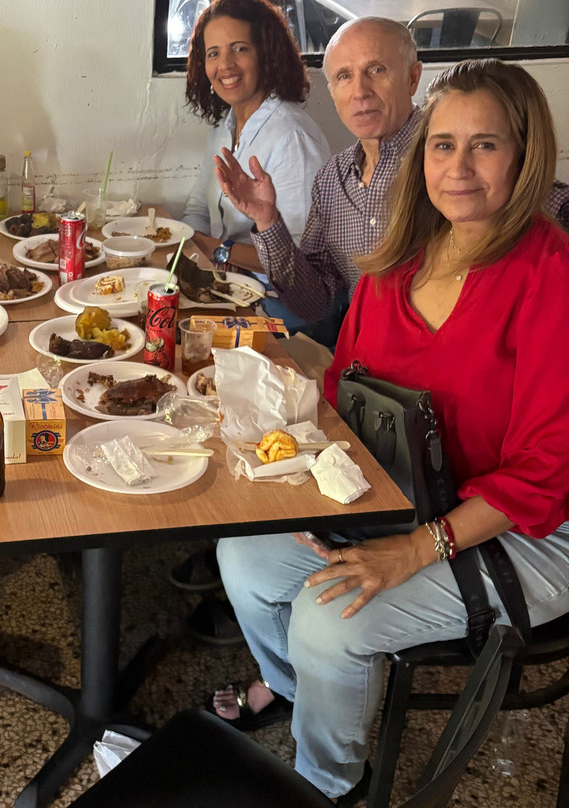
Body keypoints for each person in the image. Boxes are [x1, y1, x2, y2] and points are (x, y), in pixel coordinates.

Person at [211, 59, 569, 803]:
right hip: (409, 490)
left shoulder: (552, 275)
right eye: (443, 145)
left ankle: (328, 784)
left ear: (526, 155)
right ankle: (305, 696)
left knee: (327, 618)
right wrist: (312, 488)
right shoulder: (399, 260)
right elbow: (344, 392)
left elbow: (547, 470)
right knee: (242, 557)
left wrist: (414, 549)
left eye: (485, 145)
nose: (458, 167)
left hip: (529, 523)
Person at [215, 16, 569, 343]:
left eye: (376, 70)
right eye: (344, 77)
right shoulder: (331, 179)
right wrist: (268, 221)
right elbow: (315, 304)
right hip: (368, 365)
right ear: (333, 91)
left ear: (413, 78)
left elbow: (543, 196)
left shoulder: (446, 162)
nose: (360, 91)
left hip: (453, 359)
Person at [181, 0, 330, 332]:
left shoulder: (292, 136)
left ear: (266, 53)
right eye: (214, 53)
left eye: (239, 49)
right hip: (231, 285)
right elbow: (198, 209)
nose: (225, 65)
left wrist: (220, 252)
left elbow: (299, 257)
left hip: (283, 306)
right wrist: (194, 250)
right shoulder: (224, 126)